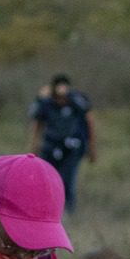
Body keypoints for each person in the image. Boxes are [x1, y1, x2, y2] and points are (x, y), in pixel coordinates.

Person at [28, 74, 96, 215]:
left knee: (67, 181)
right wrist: (34, 148)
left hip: (72, 148)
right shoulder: (45, 104)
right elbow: (37, 125)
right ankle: (46, 212)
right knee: (46, 181)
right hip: (50, 147)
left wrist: (92, 148)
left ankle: (69, 213)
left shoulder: (77, 102)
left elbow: (89, 121)